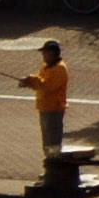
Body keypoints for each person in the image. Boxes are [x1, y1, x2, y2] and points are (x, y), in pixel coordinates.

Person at [29, 40, 70, 168]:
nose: (43, 55)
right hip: (44, 108)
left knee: (53, 142)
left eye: (45, 53)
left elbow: (47, 86)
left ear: (53, 53)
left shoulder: (60, 69)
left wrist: (32, 80)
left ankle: (55, 167)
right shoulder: (46, 66)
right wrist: (29, 82)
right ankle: (50, 166)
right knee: (47, 141)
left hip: (54, 110)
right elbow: (40, 83)